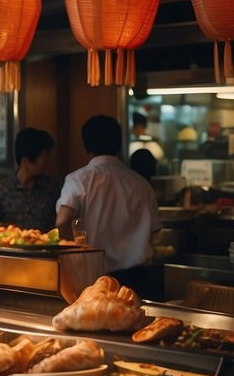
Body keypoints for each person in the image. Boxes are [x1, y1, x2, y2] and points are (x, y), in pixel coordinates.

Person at [57, 115, 160, 293]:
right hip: (138, 281)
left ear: (86, 145)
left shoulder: (79, 179)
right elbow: (155, 230)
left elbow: (62, 221)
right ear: (119, 144)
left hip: (95, 278)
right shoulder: (141, 183)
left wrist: (72, 255)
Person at [0, 128, 60, 231]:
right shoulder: (2, 189)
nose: (48, 162)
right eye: (45, 156)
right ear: (26, 161)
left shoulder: (52, 188)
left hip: (45, 246)